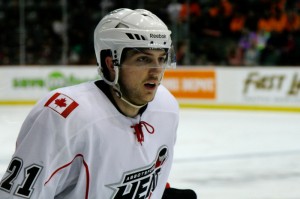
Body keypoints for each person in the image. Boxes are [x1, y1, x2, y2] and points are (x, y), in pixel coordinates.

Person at [0, 8, 196, 198]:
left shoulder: (166, 106)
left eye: (161, 59)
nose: (156, 71)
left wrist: (162, 192)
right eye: (143, 59)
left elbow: (149, 174)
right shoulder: (65, 116)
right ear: (111, 63)